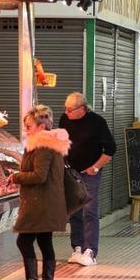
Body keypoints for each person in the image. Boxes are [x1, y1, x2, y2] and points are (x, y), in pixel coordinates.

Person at [7, 104, 69, 280]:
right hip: (48, 201)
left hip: (40, 203)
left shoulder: (42, 145)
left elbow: (39, 176)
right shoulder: (49, 143)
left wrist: (16, 177)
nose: (26, 129)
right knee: (44, 241)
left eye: (29, 126)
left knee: (23, 241)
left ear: (41, 126)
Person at [60, 92, 115, 267]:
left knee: (89, 210)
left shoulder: (97, 122)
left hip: (90, 172)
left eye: (70, 110)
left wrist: (96, 167)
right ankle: (77, 247)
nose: (67, 112)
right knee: (74, 210)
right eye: (65, 109)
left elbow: (111, 149)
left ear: (82, 108)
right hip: (70, 171)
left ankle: (90, 250)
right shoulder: (64, 119)